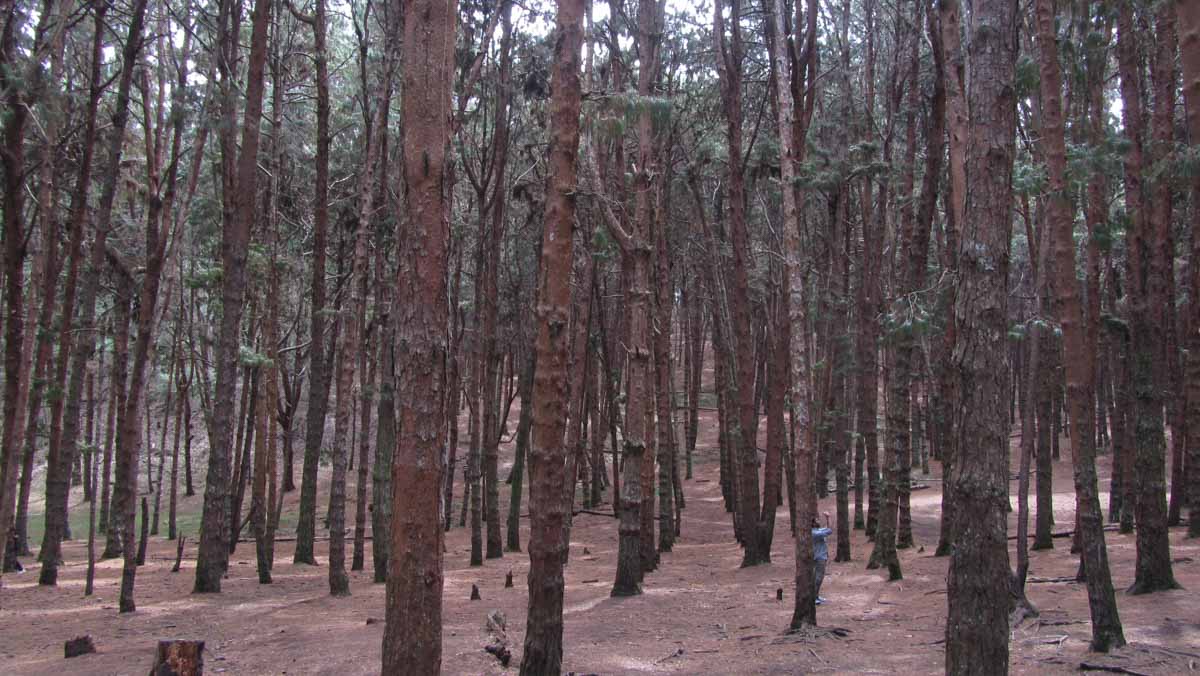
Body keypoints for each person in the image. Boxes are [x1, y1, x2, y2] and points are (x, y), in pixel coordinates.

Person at [812, 512, 831, 605]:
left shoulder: (817, 530)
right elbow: (829, 531)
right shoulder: (815, 533)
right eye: (817, 520)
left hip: (821, 556)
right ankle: (814, 597)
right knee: (818, 578)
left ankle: (816, 595)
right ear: (813, 523)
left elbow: (827, 529)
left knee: (818, 577)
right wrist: (828, 518)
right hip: (819, 557)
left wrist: (827, 519)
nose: (818, 521)